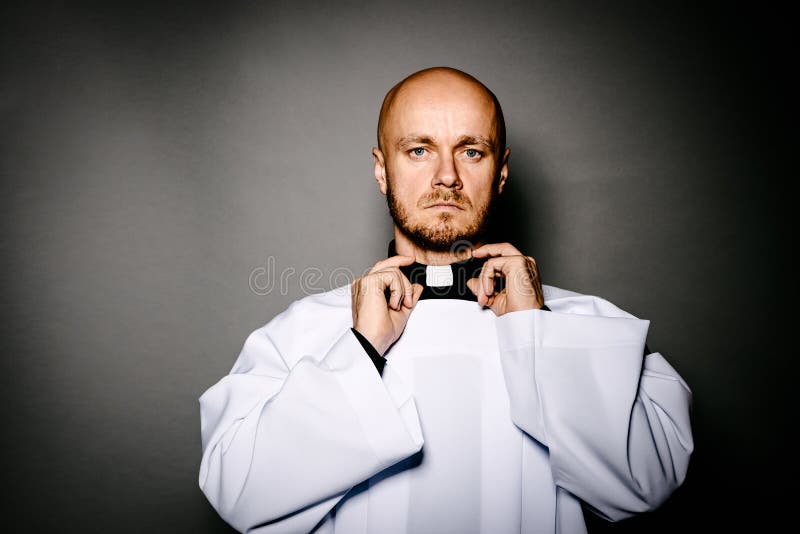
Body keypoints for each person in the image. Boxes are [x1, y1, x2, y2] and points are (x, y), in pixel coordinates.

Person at [198, 67, 693, 534]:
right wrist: (361, 350)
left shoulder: (585, 326)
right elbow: (239, 495)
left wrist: (538, 328)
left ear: (501, 172)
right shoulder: (301, 332)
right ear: (381, 170)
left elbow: (646, 484)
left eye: (471, 152)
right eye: (419, 150)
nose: (447, 177)